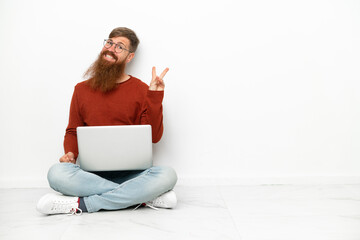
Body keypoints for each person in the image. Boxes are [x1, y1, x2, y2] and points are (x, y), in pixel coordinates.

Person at [36, 27, 177, 215]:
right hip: (91, 176)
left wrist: (154, 96)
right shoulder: (81, 90)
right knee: (56, 174)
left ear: (129, 57)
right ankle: (143, 198)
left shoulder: (142, 90)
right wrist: (70, 153)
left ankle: (83, 205)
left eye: (120, 47)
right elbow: (72, 131)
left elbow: (155, 137)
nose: (111, 48)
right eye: (109, 42)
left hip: (134, 174)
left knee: (167, 175)